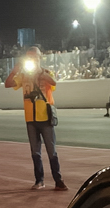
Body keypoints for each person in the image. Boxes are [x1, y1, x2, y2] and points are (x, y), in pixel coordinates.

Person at [5, 47, 68, 191]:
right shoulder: (23, 76)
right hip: (30, 119)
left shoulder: (45, 73)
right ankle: (39, 180)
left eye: (34, 57)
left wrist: (40, 73)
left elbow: (53, 82)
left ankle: (58, 180)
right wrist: (14, 71)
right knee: (35, 152)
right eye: (29, 57)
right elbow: (8, 84)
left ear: (39, 58)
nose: (31, 59)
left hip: (45, 118)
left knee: (51, 150)